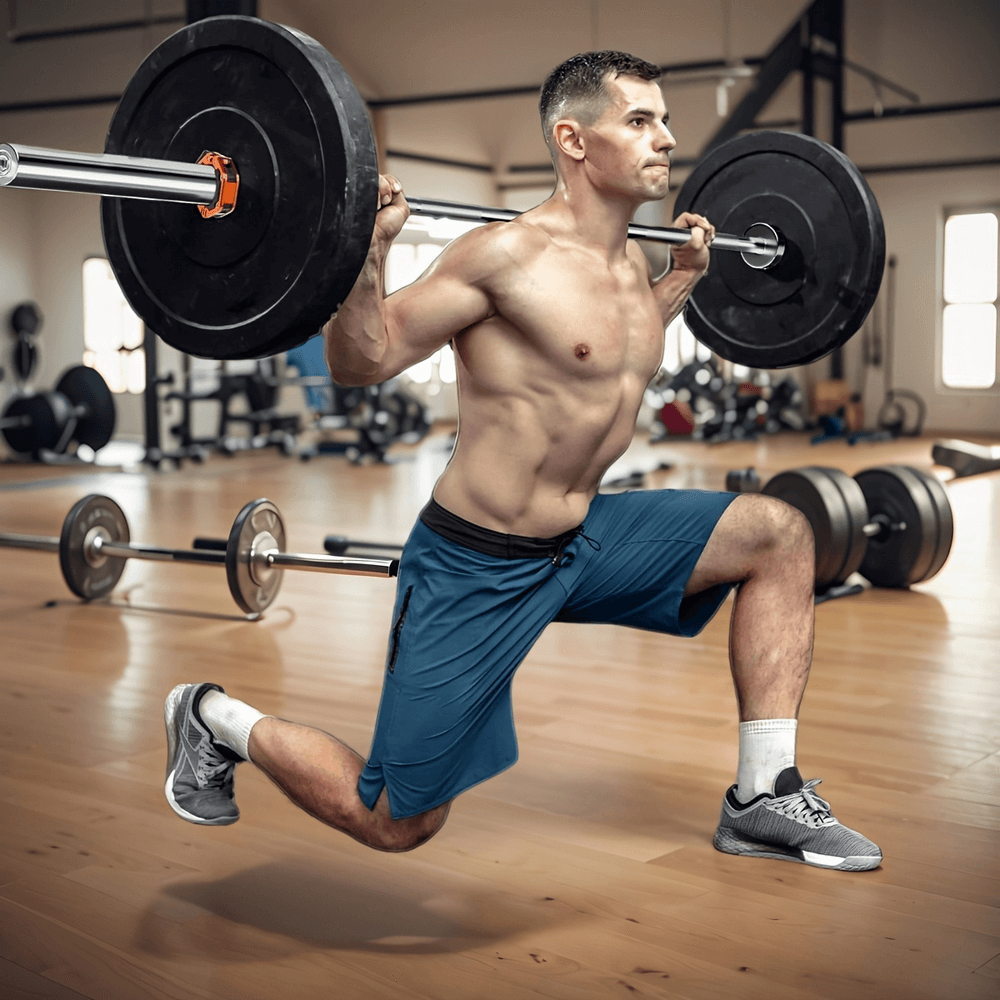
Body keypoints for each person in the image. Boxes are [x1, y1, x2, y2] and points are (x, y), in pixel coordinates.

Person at [164, 51, 881, 871]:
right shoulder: (502, 257)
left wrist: (681, 282)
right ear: (573, 141)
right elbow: (362, 363)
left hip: (583, 542)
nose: (668, 141)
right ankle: (210, 716)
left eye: (666, 121)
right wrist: (367, 256)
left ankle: (760, 798)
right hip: (479, 560)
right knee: (396, 818)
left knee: (780, 533)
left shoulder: (635, 266)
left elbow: (600, 357)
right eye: (640, 121)